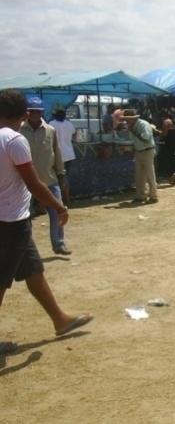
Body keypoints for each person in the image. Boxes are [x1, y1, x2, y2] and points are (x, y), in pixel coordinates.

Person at [1, 90, 93, 354]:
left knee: (33, 271)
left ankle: (60, 319)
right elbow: (33, 182)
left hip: (14, 218)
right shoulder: (14, 140)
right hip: (9, 221)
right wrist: (59, 206)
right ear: (22, 114)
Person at [19, 97, 70, 255]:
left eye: (38, 111)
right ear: (27, 112)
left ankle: (59, 243)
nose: (35, 114)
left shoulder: (50, 130)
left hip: (49, 179)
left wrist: (61, 174)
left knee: (57, 212)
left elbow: (57, 152)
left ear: (42, 112)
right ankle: (24, 248)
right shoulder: (19, 130)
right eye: (32, 111)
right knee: (24, 217)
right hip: (24, 182)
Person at [122, 108, 158, 204]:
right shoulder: (132, 125)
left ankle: (153, 196)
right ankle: (141, 196)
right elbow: (132, 140)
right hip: (139, 151)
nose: (126, 121)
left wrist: (132, 131)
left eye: (127, 119)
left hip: (147, 151)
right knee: (139, 175)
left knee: (150, 175)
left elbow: (145, 138)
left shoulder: (143, 124)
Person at [49, 106, 76, 205]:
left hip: (58, 155)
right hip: (69, 154)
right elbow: (73, 134)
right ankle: (67, 200)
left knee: (57, 178)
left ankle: (59, 200)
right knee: (65, 177)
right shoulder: (69, 124)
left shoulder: (52, 124)